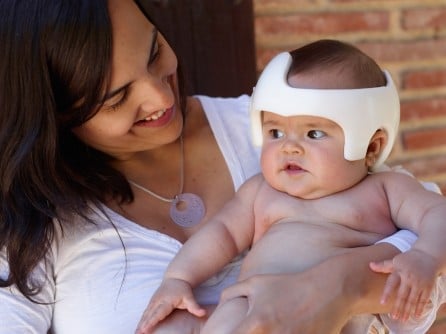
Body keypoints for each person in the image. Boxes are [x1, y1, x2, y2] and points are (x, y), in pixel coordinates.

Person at [0, 1, 444, 333]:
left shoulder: (293, 128)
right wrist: (177, 279)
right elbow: (224, 234)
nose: (160, 98)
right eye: (116, 98)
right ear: (55, 114)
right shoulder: (269, 173)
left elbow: (433, 236)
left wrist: (346, 284)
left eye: (154, 52)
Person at [136, 40, 446, 334]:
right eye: (275, 132)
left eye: (313, 134)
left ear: (371, 147)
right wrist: (178, 278)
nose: (289, 148)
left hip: (339, 317)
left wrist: (426, 256)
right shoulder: (261, 192)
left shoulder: (386, 188)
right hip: (250, 306)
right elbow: (222, 234)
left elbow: (438, 213)